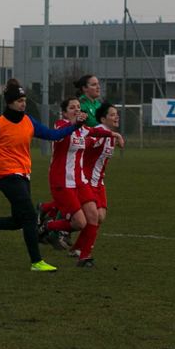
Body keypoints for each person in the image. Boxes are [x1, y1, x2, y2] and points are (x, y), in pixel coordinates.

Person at [0, 79, 83, 272]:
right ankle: (36, 261)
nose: (23, 103)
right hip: (7, 176)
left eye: (24, 100)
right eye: (19, 100)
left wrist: (75, 125)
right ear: (10, 102)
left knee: (18, 221)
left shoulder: (29, 121)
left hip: (23, 175)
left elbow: (52, 135)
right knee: (30, 216)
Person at [42, 97, 123, 253]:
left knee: (95, 217)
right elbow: (65, 137)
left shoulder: (85, 129)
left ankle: (80, 251)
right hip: (68, 180)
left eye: (79, 107)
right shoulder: (61, 125)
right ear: (64, 113)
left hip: (89, 181)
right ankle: (51, 223)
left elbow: (93, 132)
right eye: (72, 108)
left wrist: (114, 134)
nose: (77, 110)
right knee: (83, 220)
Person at [73, 101, 123, 268]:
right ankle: (84, 255)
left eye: (117, 114)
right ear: (103, 119)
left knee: (100, 217)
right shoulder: (100, 133)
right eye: (112, 114)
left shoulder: (111, 136)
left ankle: (77, 248)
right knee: (92, 217)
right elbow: (84, 144)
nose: (116, 117)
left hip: (99, 183)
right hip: (86, 180)